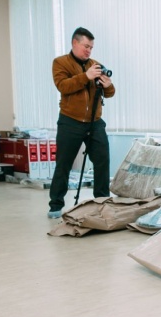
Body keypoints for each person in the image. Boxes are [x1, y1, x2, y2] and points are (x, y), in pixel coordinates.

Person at [47, 27, 115, 218]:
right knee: (64, 163)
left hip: (95, 121)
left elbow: (109, 93)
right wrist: (86, 76)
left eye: (91, 47)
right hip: (70, 121)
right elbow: (63, 86)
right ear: (74, 43)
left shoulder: (95, 65)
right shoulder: (60, 63)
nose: (88, 51)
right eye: (86, 46)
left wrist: (108, 86)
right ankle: (55, 205)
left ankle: (102, 203)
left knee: (102, 161)